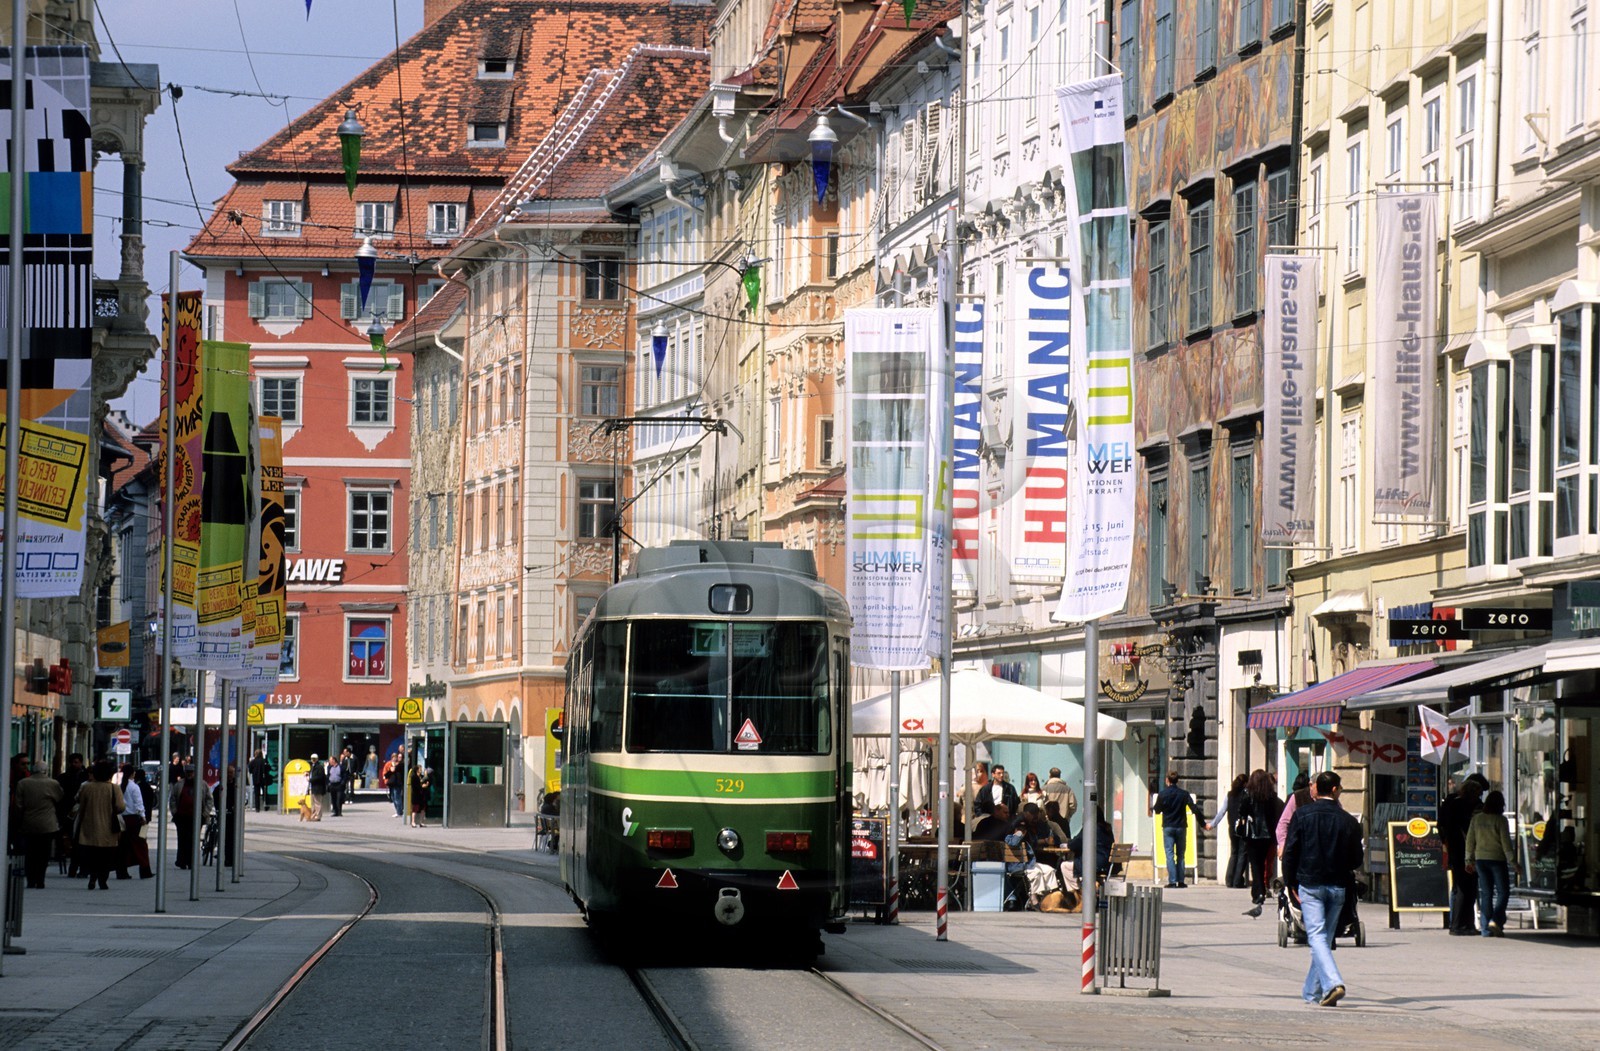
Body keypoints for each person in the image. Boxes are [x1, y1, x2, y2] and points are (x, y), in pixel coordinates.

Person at [1282, 771, 1362, 1007]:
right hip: (1337, 885)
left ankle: (1333, 984)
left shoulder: (1303, 815)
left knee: (1316, 937)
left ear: (1318, 789)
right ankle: (1312, 992)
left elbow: (1291, 851)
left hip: (1310, 882)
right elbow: (1357, 859)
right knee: (1324, 939)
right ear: (1336, 790)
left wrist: (1290, 882)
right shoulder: (1349, 821)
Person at [1438, 774, 1487, 935]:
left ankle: (1460, 924)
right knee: (1466, 888)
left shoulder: (1450, 803)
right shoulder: (1471, 806)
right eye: (1479, 793)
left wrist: (1445, 842)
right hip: (1467, 850)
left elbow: (1441, 826)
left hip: (1453, 849)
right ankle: (1461, 925)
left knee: (1460, 887)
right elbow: (1473, 829)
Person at [1466, 789, 1514, 937]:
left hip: (1481, 860)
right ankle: (1496, 920)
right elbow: (1506, 843)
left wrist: (1468, 860)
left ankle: (1486, 929)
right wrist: (1513, 862)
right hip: (1497, 859)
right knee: (1503, 892)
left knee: (1486, 894)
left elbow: (1470, 840)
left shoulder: (1477, 819)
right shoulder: (1501, 820)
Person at [1238, 769, 1285, 916]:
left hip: (1252, 835)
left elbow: (1241, 811)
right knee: (1264, 861)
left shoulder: (1248, 795)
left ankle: (1258, 892)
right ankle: (1261, 889)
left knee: (1255, 864)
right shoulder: (1271, 797)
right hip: (1268, 836)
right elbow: (1276, 813)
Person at [73, 760, 125, 891]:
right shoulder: (114, 788)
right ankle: (103, 880)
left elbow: (78, 800)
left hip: (89, 826)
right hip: (108, 829)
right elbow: (120, 807)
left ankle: (92, 877)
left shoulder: (86, 787)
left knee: (92, 855)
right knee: (106, 857)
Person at [14, 758, 63, 888]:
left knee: (30, 853)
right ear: (46, 771)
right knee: (44, 853)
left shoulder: (23, 783)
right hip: (47, 824)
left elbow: (18, 805)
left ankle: (31, 879)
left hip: (28, 823)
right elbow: (59, 799)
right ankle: (40, 879)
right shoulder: (53, 783)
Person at [1150, 769, 1204, 888]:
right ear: (1177, 780)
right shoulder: (1184, 794)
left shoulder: (1163, 794)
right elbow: (1194, 808)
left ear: (1167, 780)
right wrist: (1203, 823)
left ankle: (1172, 881)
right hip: (1181, 826)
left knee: (1169, 854)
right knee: (1181, 854)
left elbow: (1157, 810)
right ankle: (1181, 881)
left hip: (1168, 826)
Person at [1208, 773, 1250, 889]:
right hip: (1242, 827)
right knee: (1242, 853)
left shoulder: (1230, 795)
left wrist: (1212, 824)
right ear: (1245, 783)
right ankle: (1237, 881)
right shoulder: (1246, 795)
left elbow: (1222, 811)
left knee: (1234, 853)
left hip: (1232, 827)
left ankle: (1229, 879)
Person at [116, 764, 154, 880]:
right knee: (141, 844)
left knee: (123, 846)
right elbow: (139, 803)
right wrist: (143, 817)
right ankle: (145, 870)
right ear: (133, 774)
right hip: (135, 820)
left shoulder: (120, 786)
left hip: (122, 819)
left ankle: (121, 871)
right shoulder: (134, 787)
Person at [56, 753, 89, 878]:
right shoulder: (64, 778)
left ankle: (77, 868)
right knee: (74, 841)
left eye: (77, 762)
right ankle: (76, 868)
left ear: (81, 762)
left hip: (81, 813)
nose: (74, 764)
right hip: (68, 813)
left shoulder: (85, 779)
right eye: (73, 762)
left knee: (79, 842)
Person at [1275, 771, 1314, 853]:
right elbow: (1283, 822)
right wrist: (1283, 845)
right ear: (1310, 785)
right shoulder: (1295, 797)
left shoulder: (1330, 799)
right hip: (1298, 845)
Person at [383, 749, 406, 818]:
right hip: (392, 783)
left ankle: (399, 812)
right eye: (397, 757)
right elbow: (390, 771)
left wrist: (393, 767)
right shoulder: (393, 764)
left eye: (400, 757)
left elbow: (393, 770)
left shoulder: (401, 764)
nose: (398, 758)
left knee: (397, 797)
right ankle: (398, 811)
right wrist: (386, 776)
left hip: (398, 783)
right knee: (393, 797)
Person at [248, 747, 272, 812]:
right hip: (263, 779)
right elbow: (269, 768)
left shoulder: (253, 762)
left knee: (257, 794)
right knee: (265, 793)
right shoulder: (263, 761)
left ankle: (257, 808)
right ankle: (266, 806)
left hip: (255, 779)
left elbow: (250, 770)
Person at [409, 761, 431, 827]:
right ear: (417, 770)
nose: (421, 770)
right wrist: (422, 786)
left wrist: (426, 783)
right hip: (416, 795)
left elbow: (426, 781)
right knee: (415, 808)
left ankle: (421, 822)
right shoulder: (414, 777)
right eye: (420, 769)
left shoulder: (421, 776)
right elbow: (416, 786)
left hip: (422, 795)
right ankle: (413, 822)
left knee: (423, 809)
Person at [306, 753, 328, 821]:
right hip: (313, 787)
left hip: (318, 787)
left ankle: (318, 816)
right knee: (313, 803)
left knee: (318, 802)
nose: (313, 760)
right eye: (312, 759)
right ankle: (313, 815)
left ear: (317, 759)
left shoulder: (319, 767)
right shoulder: (313, 766)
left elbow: (320, 777)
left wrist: (311, 779)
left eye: (314, 759)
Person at [326, 750, 345, 817]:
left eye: (330, 760)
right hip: (332, 785)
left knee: (339, 799)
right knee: (333, 799)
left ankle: (339, 812)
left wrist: (342, 782)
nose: (329, 762)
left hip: (339, 784)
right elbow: (328, 775)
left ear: (334, 760)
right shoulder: (329, 767)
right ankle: (335, 811)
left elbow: (344, 775)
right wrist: (328, 783)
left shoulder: (340, 767)